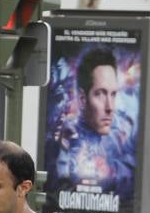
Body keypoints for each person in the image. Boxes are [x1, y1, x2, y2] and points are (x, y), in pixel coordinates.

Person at [52, 47, 137, 203]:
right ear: (82, 99)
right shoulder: (64, 139)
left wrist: (110, 170)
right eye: (100, 94)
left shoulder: (121, 136)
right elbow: (53, 193)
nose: (110, 107)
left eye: (113, 94)